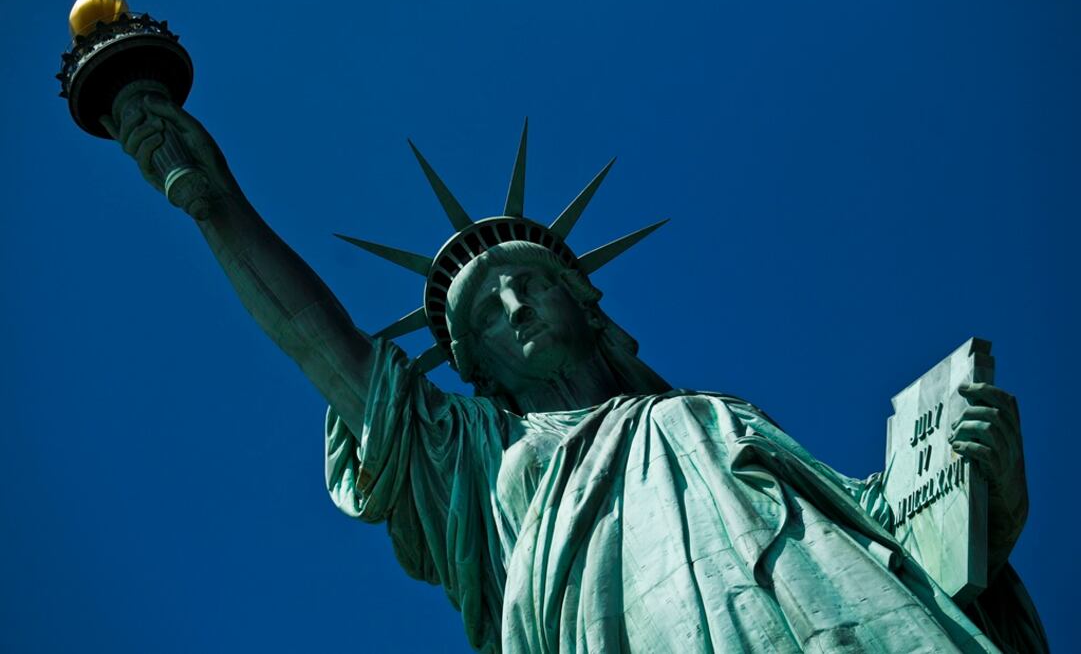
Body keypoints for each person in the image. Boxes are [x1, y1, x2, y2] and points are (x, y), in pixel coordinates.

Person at [103, 94, 1047, 653]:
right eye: (486, 314)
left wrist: (980, 491)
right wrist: (213, 204)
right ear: (476, 368)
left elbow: (888, 534)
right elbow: (324, 349)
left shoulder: (711, 417)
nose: (515, 308)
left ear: (584, 306)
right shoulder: (479, 461)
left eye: (530, 285)